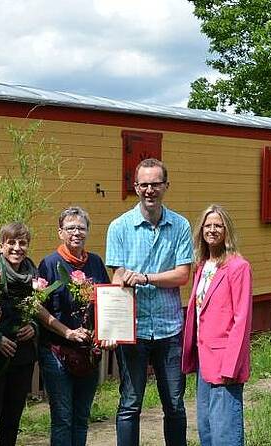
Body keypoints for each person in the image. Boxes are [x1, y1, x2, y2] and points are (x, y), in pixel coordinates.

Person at [105, 158, 192, 446]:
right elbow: (117, 276)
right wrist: (110, 326)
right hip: (134, 330)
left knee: (175, 405)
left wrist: (144, 278)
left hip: (170, 329)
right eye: (144, 184)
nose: (150, 190)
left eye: (156, 184)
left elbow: (182, 275)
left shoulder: (180, 225)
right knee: (130, 405)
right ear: (135, 187)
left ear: (166, 186)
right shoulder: (118, 227)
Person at [36, 207, 112, 446]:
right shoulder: (49, 264)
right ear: (60, 232)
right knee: (63, 419)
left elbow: (108, 302)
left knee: (81, 417)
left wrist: (106, 333)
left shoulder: (96, 263)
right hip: (56, 351)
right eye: (70, 228)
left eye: (81, 227)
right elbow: (37, 307)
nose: (76, 232)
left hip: (88, 352)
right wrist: (66, 331)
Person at [181, 204, 252, 446]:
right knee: (207, 428)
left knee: (226, 431)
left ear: (227, 230)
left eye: (218, 225)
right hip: (204, 358)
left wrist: (231, 365)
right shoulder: (202, 266)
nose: (212, 230)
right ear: (201, 230)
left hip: (225, 362)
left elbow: (242, 319)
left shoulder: (238, 267)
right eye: (208, 225)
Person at [0, 222, 39, 446]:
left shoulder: (33, 273)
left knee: (12, 421)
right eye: (11, 243)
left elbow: (38, 309)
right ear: (1, 245)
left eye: (22, 243)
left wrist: (33, 326)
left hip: (22, 357)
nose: (17, 248)